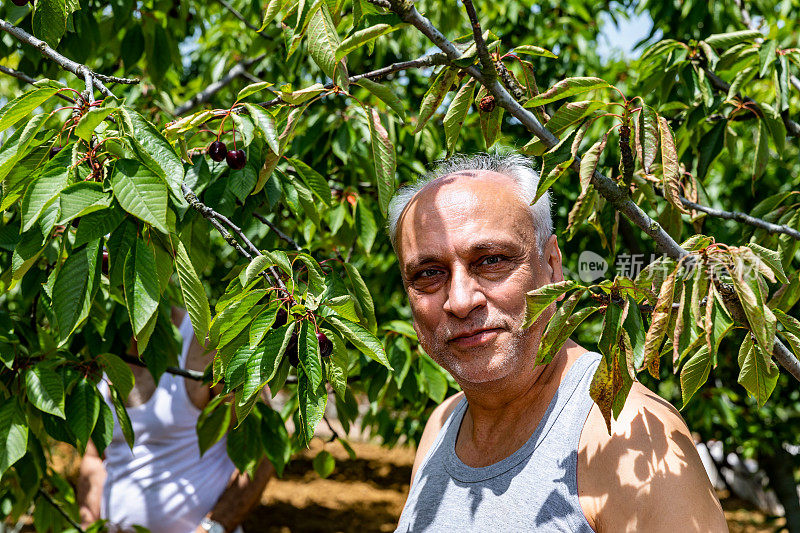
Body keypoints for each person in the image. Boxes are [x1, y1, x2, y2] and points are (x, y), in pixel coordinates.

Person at [388, 153, 727, 532]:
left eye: (491, 260)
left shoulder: (628, 434)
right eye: (429, 273)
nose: (461, 301)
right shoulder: (442, 426)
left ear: (551, 267)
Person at [77, 307, 273, 533]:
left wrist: (212, 528)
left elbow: (263, 447)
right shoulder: (101, 346)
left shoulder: (205, 344)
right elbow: (94, 458)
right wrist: (89, 524)